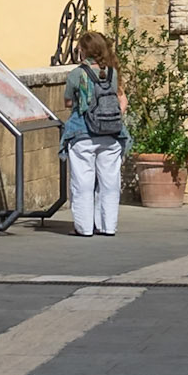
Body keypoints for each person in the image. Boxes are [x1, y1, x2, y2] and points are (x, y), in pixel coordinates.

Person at [60, 30, 128, 237]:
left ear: (83, 50)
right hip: (111, 134)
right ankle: (108, 226)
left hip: (83, 133)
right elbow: (118, 98)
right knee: (109, 182)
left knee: (83, 183)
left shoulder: (76, 74)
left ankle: (84, 228)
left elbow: (69, 102)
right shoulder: (112, 73)